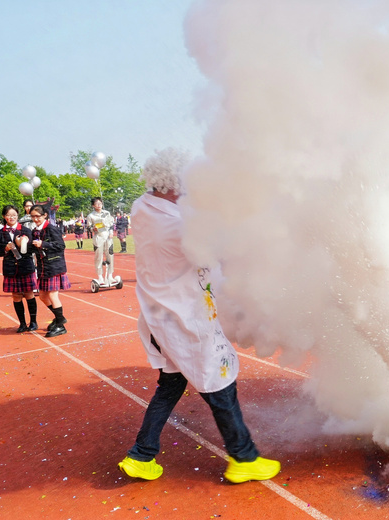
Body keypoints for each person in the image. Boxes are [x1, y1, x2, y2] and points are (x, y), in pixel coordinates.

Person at [118, 148, 280, 484]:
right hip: (184, 318)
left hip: (157, 317)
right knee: (219, 385)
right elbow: (220, 252)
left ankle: (141, 455)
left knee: (171, 385)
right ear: (176, 182)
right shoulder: (178, 226)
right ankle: (243, 457)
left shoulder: (141, 207)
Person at [0, 205, 39, 333]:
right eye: (9, 215)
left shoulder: (25, 230)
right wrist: (5, 248)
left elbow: (32, 250)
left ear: (18, 216)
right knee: (16, 295)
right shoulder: (0, 233)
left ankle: (33, 322)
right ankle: (22, 323)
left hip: (25, 266)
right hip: (10, 268)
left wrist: (23, 244)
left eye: (14, 215)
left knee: (29, 294)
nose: (11, 217)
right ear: (4, 217)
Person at [30, 205, 70, 338]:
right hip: (42, 267)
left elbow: (60, 246)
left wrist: (43, 244)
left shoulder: (51, 228)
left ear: (44, 215)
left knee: (53, 295)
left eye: (38, 216)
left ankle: (60, 326)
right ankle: (59, 318)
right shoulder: (34, 231)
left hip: (54, 266)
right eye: (33, 216)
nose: (35, 219)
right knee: (42, 296)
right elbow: (33, 249)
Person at [87, 197, 117, 284]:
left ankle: (110, 276)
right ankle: (100, 277)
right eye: (97, 204)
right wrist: (93, 229)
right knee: (98, 257)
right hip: (98, 238)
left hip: (108, 237)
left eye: (100, 203)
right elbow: (88, 228)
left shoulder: (106, 213)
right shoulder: (91, 216)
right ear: (93, 205)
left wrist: (111, 232)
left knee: (110, 256)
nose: (99, 205)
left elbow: (111, 224)